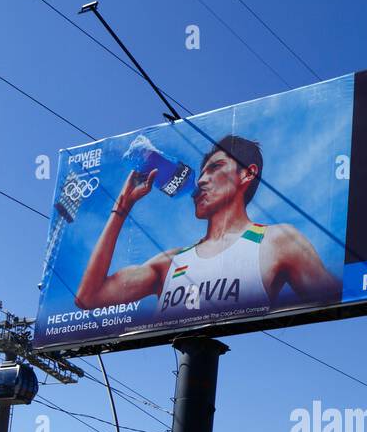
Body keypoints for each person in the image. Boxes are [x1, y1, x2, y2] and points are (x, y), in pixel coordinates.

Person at [76, 135, 340, 324]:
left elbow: (339, 297)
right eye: (201, 172)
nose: (201, 180)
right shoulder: (170, 262)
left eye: (215, 168)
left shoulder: (277, 240)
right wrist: (122, 206)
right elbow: (88, 298)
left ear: (247, 174)